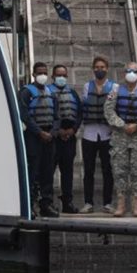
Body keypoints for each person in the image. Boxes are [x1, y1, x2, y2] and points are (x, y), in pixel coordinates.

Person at [104, 62, 137, 217]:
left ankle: (136, 205)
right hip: (120, 136)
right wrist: (122, 124)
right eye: (128, 71)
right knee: (119, 170)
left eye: (134, 71)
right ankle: (120, 204)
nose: (131, 73)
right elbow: (108, 110)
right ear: (124, 73)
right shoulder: (115, 91)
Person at [19, 62, 59, 218]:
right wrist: (39, 132)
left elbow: (57, 115)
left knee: (47, 172)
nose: (43, 76)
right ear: (34, 75)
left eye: (45, 73)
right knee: (32, 173)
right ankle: (29, 205)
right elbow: (24, 115)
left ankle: (46, 204)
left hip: (49, 137)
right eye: (40, 73)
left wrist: (53, 132)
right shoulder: (26, 92)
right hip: (33, 137)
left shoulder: (51, 92)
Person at [80, 56, 115, 213]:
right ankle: (88, 202)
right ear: (93, 69)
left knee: (108, 169)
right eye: (97, 67)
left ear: (107, 69)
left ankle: (108, 203)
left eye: (102, 67)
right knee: (89, 170)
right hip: (89, 134)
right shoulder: (87, 86)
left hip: (108, 133)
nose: (99, 69)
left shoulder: (114, 87)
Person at [48, 64, 82, 214]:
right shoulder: (47, 92)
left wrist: (72, 130)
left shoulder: (73, 94)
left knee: (67, 171)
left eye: (63, 75)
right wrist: (58, 131)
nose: (61, 78)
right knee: (48, 170)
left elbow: (80, 114)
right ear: (53, 76)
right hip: (54, 137)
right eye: (58, 75)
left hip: (70, 137)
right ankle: (47, 202)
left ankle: (67, 202)